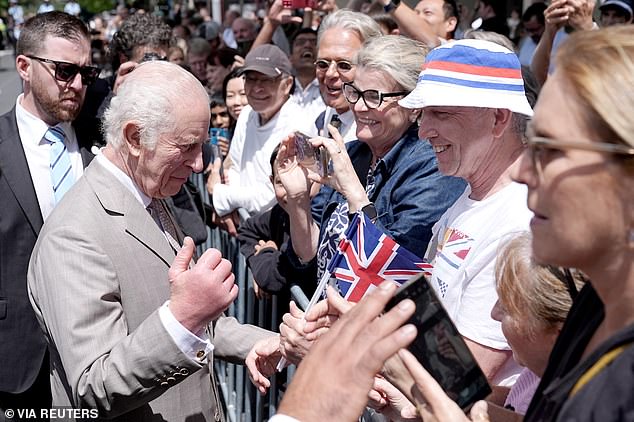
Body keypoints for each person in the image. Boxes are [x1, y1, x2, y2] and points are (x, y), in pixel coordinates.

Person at [386, 25, 634, 422]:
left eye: (551, 150)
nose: (524, 173)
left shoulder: (521, 222)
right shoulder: (595, 311)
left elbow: (462, 375)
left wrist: (363, 354)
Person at [27, 61, 274, 421]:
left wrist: (264, 343)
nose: (199, 165)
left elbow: (195, 322)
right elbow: (94, 385)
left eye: (201, 146)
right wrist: (184, 316)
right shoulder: (73, 236)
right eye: (187, 147)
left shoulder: (151, 192)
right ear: (135, 138)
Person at [276, 35, 465, 363]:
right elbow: (311, 259)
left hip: (387, 356)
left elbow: (395, 267)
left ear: (413, 104)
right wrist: (298, 203)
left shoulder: (431, 166)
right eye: (355, 93)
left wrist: (354, 193)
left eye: (374, 97)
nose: (359, 107)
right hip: (338, 343)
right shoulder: (353, 153)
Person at [399, 39, 534, 386]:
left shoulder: (519, 222)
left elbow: (458, 375)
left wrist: (350, 353)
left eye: (441, 113)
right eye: (423, 113)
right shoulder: (474, 194)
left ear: (499, 118)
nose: (424, 130)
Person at [0, 12, 97, 419]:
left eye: (86, 73)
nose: (76, 85)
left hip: (97, 357)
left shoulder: (104, 143)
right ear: (24, 67)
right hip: (16, 360)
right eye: (63, 71)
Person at [208, 44, 312, 226]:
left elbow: (273, 194)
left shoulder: (299, 125)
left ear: (287, 85)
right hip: (248, 228)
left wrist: (219, 194)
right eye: (251, 79)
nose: (256, 88)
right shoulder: (247, 114)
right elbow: (235, 168)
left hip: (283, 229)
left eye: (266, 80)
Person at [377, 0, 459, 47]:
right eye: (415, 13)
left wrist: (390, 3)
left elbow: (432, 43)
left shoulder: (456, 50)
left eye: (427, 13)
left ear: (450, 24)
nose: (419, 18)